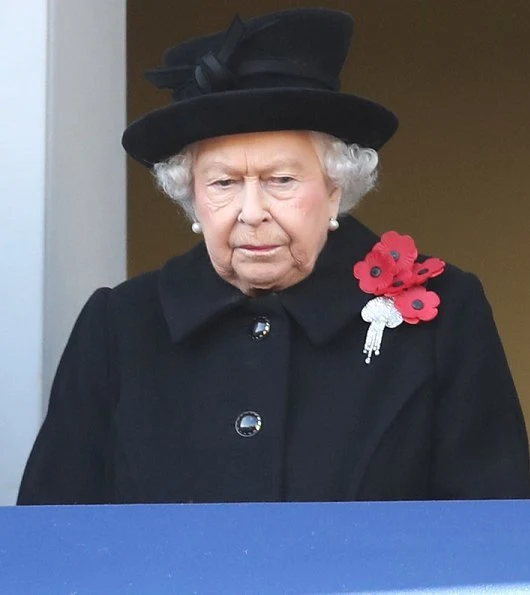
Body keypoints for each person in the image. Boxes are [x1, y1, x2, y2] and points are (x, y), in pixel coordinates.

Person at [18, 8, 530, 505]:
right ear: (191, 196)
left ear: (336, 189)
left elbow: (495, 534)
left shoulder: (444, 316)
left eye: (281, 180)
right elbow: (51, 544)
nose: (251, 212)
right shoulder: (120, 325)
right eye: (223, 183)